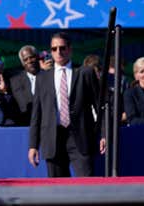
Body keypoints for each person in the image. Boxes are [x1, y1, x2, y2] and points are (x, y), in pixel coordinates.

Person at [28, 32, 101, 177]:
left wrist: (104, 134)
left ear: (70, 49)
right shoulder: (42, 77)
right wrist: (33, 145)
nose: (58, 52)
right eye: (54, 49)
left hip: (80, 137)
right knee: (57, 190)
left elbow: (100, 106)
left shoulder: (84, 73)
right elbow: (37, 114)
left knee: (87, 184)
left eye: (62, 48)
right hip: (53, 138)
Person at [8, 45, 40, 126]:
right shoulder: (14, 81)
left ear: (38, 57)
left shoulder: (49, 76)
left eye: (31, 57)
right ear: (22, 63)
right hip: (25, 125)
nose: (29, 61)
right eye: (25, 59)